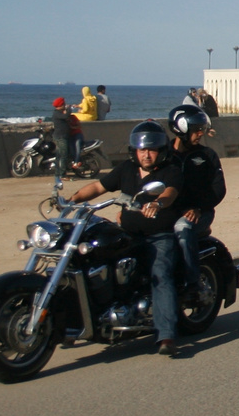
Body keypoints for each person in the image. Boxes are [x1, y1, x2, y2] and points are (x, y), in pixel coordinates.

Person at [68, 122, 184, 354]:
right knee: (88, 257)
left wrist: (158, 203)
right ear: (134, 151)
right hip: (128, 234)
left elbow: (170, 192)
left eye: (151, 150)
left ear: (161, 151)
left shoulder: (170, 170)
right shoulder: (126, 170)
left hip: (158, 236)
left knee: (160, 275)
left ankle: (166, 335)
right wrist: (72, 200)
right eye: (142, 150)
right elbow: (99, 187)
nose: (146, 154)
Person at [168, 106, 227, 290]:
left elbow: (218, 189)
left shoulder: (207, 156)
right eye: (196, 130)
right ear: (181, 128)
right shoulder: (163, 156)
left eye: (202, 129)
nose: (200, 133)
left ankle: (191, 283)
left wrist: (199, 208)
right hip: (168, 211)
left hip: (200, 213)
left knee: (182, 229)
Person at [49, 96, 83, 175]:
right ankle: (62, 174)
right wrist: (69, 109)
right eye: (63, 104)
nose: (65, 105)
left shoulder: (59, 113)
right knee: (63, 155)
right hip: (60, 137)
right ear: (60, 105)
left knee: (62, 155)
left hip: (65, 136)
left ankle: (60, 172)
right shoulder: (57, 113)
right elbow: (66, 116)